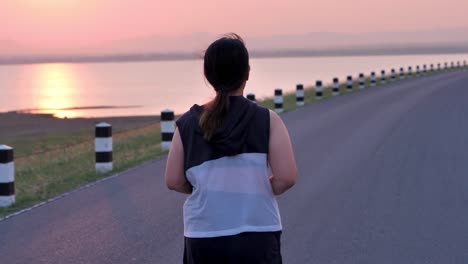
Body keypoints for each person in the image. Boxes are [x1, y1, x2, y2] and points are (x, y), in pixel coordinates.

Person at [165, 33, 297, 264]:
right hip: (259, 231)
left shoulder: (187, 123)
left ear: (208, 76)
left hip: (204, 234)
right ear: (247, 73)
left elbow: (173, 180)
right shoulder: (267, 119)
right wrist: (256, 187)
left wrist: (208, 187)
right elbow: (287, 178)